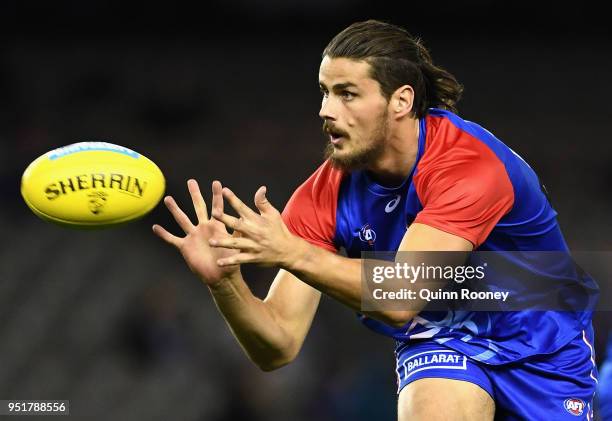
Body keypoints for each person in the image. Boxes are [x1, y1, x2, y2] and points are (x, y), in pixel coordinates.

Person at [153, 20, 598, 420]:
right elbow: (278, 343)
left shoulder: (469, 167)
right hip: (441, 337)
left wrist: (294, 251)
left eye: (347, 93)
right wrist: (225, 283)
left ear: (401, 100)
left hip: (542, 345)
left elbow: (400, 294)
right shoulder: (324, 193)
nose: (326, 110)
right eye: (325, 92)